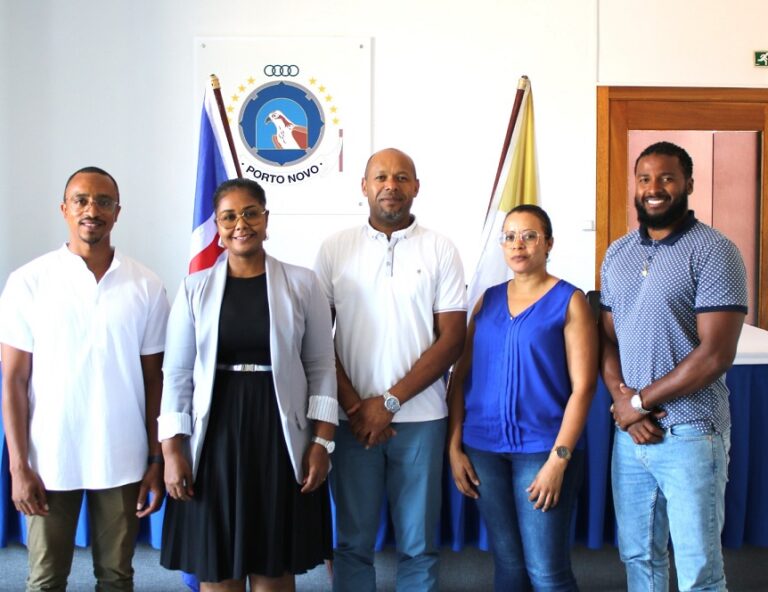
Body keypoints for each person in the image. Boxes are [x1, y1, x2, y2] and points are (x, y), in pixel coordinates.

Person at [158, 178, 338, 592]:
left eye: (250, 213)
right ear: (218, 228)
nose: (241, 224)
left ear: (265, 219)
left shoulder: (302, 283)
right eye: (229, 217)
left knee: (274, 567)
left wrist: (322, 442)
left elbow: (321, 367)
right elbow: (178, 373)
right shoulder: (194, 288)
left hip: (280, 435)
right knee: (218, 566)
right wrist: (171, 451)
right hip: (214, 438)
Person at [0, 166, 170, 591]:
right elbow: (14, 381)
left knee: (116, 578)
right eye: (81, 200)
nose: (92, 210)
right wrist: (18, 467)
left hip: (123, 457)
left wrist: (155, 460)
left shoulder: (147, 285)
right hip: (49, 459)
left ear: (117, 212)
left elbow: (155, 381)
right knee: (45, 579)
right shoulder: (28, 282)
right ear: (64, 209)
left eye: (103, 202)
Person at [314, 147, 467, 592]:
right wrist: (357, 407)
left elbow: (452, 339)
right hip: (351, 422)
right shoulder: (334, 249)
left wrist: (389, 403)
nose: (390, 185)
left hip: (421, 420)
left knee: (418, 545)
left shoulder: (440, 248)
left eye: (401, 177)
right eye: (380, 177)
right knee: (352, 543)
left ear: (416, 187)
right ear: (364, 186)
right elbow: (317, 339)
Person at [600, 141, 748, 591]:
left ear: (688, 184)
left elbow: (715, 354)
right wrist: (624, 402)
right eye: (644, 178)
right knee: (639, 559)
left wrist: (639, 403)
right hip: (632, 437)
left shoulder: (715, 251)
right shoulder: (618, 253)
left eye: (666, 178)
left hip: (691, 433)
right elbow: (607, 339)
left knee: (699, 571)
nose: (654, 188)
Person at [447, 204, 597, 591]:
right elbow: (460, 376)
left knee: (547, 572)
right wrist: (454, 447)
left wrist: (558, 460)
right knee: (509, 565)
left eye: (530, 236)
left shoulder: (569, 301)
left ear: (549, 243)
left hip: (542, 451)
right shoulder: (487, 301)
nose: (518, 244)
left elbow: (584, 388)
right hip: (483, 449)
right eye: (510, 236)